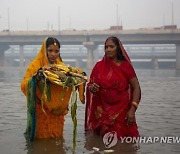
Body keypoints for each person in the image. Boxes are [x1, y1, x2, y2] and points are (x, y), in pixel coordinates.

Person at [21, 37, 85, 141]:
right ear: (44, 50)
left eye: (56, 51)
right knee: (41, 141)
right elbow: (24, 85)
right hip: (41, 110)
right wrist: (36, 78)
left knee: (57, 140)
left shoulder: (61, 67)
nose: (53, 54)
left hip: (57, 113)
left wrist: (77, 78)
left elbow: (69, 82)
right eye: (50, 50)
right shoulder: (35, 65)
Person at [85, 36, 141, 140]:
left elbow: (136, 87)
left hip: (122, 112)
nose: (108, 49)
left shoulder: (125, 66)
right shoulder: (98, 66)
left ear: (118, 48)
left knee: (124, 143)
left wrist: (133, 109)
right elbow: (90, 85)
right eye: (106, 47)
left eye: (111, 46)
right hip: (102, 113)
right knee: (102, 142)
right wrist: (92, 87)